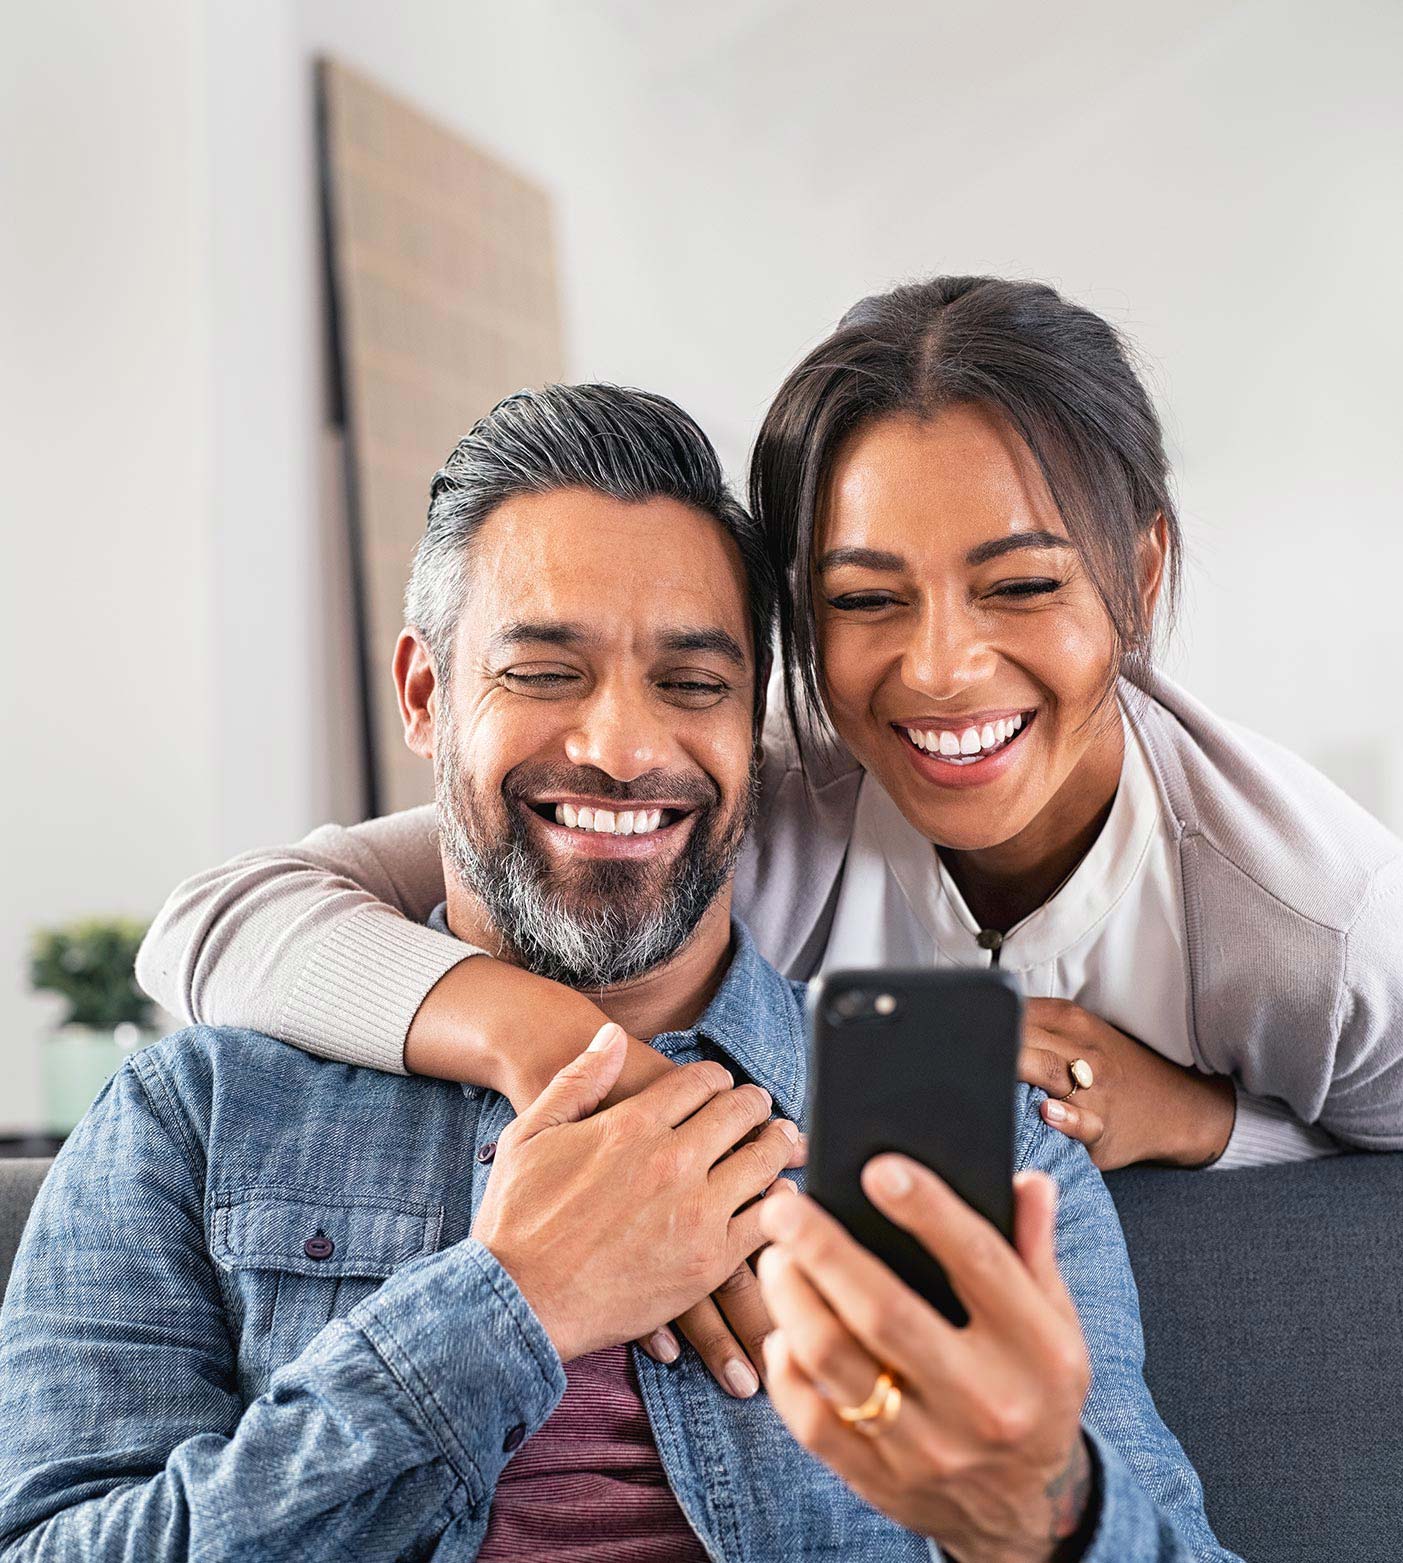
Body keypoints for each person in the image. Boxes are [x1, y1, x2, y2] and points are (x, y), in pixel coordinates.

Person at [0, 386, 1233, 1561]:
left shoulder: (991, 1139)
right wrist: (508, 1308)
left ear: (753, 730)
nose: (624, 748)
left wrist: (1038, 1510)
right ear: (427, 697)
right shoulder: (195, 1119)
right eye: (543, 673)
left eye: (694, 686)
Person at [136, 277, 1403, 1176]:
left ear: (1136, 574)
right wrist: (561, 1044)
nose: (944, 670)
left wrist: (1201, 1124)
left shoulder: (1308, 917)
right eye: (863, 598)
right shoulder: (756, 801)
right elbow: (222, 922)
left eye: (1020, 586)